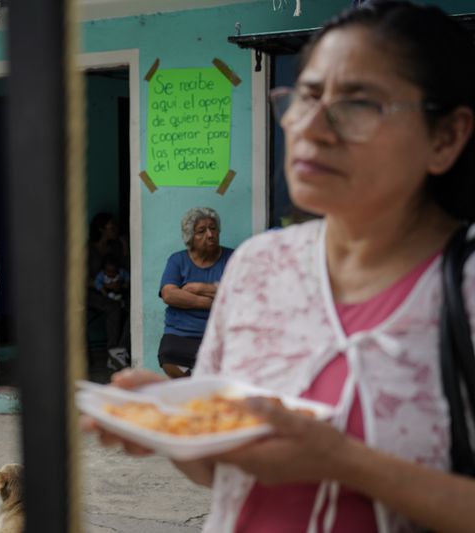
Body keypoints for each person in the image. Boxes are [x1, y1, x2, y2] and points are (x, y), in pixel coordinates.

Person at [88, 1, 475, 531]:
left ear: (447, 136)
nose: (310, 126)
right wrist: (174, 426)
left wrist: (343, 461)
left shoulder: (464, 285)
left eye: (358, 103)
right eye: (306, 95)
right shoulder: (259, 266)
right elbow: (222, 471)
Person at [157, 207, 233, 378]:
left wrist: (199, 288)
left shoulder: (232, 258)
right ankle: (195, 386)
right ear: (190, 237)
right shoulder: (177, 260)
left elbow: (240, 293)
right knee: (169, 356)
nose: (210, 234)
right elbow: (169, 294)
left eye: (213, 228)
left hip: (220, 332)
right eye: (201, 231)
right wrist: (210, 303)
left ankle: (200, 386)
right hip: (181, 332)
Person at [87, 212, 131, 369]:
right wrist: (104, 287)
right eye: (112, 227)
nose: (115, 230)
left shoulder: (115, 247)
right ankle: (114, 353)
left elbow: (126, 270)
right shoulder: (89, 250)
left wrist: (125, 247)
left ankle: (119, 351)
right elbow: (81, 278)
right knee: (114, 308)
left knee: (134, 307)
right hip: (93, 292)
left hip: (116, 291)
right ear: (101, 229)